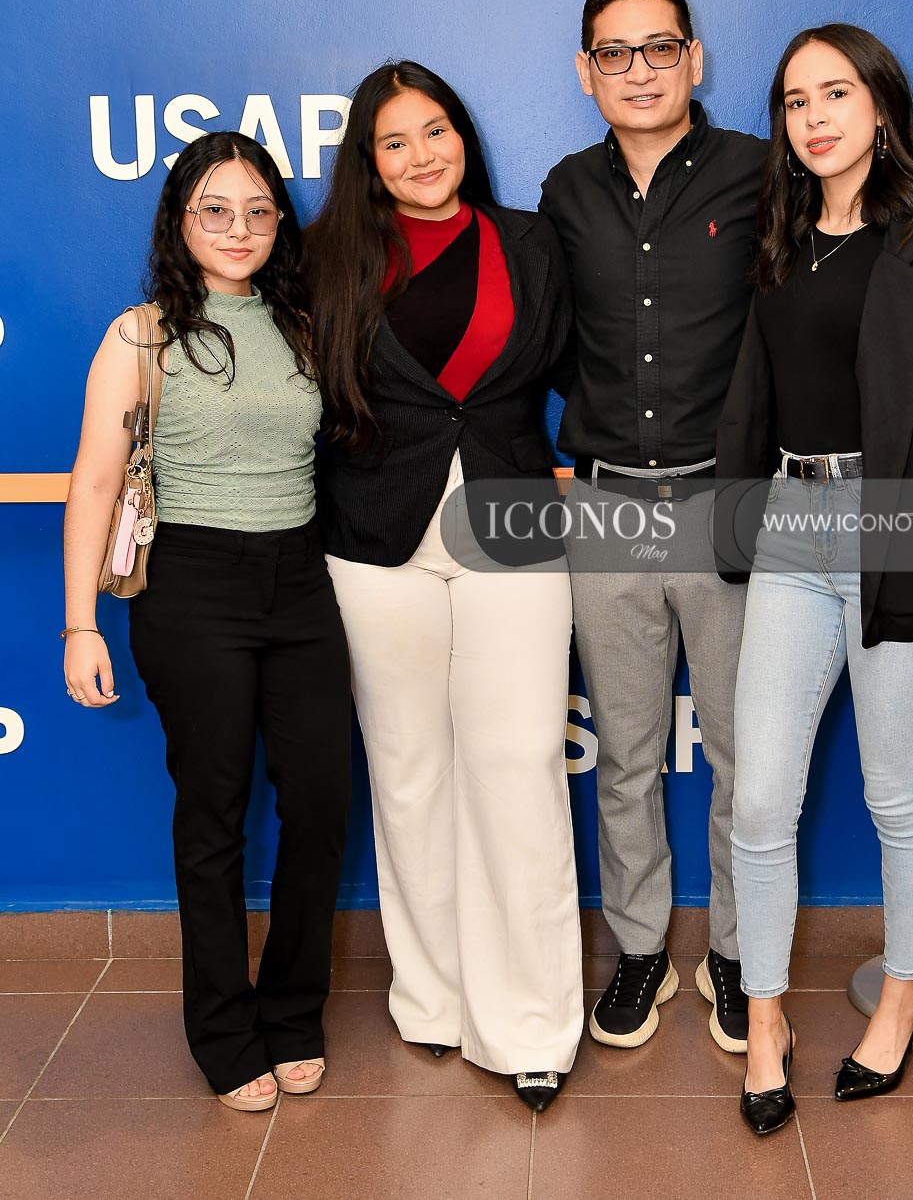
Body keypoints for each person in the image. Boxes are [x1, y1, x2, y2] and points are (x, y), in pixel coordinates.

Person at [539, 0, 913, 1056]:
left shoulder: (761, 173)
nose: (638, 71)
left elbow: (880, 274)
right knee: (628, 753)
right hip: (610, 503)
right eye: (614, 53)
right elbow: (543, 328)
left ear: (695, 60)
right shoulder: (566, 191)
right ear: (586, 71)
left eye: (660, 48)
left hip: (735, 503)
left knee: (750, 763)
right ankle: (641, 949)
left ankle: (742, 962)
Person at [714, 24, 913, 1136]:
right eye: (796, 101)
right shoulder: (780, 243)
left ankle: (903, 999)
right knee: (761, 799)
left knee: (895, 795)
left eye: (836, 93)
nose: (815, 117)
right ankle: (767, 1020)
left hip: (900, 530)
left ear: (880, 106)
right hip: (791, 526)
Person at [306, 62, 582, 1112]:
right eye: (395, 141)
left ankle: (532, 1022)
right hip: (374, 534)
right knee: (409, 772)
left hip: (512, 516)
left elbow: (610, 345)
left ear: (463, 134)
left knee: (519, 761)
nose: (422, 155)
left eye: (436, 131)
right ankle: (433, 998)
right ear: (367, 161)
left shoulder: (531, 241)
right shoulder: (325, 258)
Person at [62, 132, 353, 1112]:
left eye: (258, 210)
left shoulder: (304, 324)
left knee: (320, 800)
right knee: (214, 812)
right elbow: (95, 484)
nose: (239, 228)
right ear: (179, 222)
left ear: (280, 222)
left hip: (301, 580)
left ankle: (293, 1010)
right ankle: (225, 1032)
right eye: (215, 210)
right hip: (192, 585)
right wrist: (79, 626)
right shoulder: (141, 336)